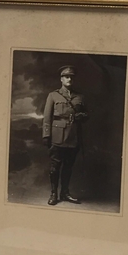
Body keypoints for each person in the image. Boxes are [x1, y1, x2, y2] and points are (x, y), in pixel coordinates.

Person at [42, 65, 88, 206]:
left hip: (73, 137)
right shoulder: (53, 95)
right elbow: (47, 117)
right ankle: (54, 193)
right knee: (55, 166)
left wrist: (82, 116)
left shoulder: (79, 96)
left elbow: (87, 115)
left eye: (72, 77)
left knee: (69, 167)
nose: (69, 79)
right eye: (67, 76)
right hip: (58, 136)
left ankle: (65, 193)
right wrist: (46, 135)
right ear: (61, 79)